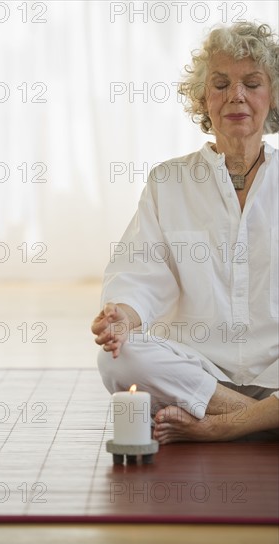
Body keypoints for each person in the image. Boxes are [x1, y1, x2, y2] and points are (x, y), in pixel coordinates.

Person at [91, 22, 279, 444]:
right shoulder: (168, 181)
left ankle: (223, 426)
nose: (237, 96)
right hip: (202, 372)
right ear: (202, 98)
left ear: (273, 96)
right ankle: (258, 419)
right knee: (120, 361)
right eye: (221, 84)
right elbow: (140, 272)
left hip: (274, 371)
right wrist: (123, 315)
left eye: (252, 83)